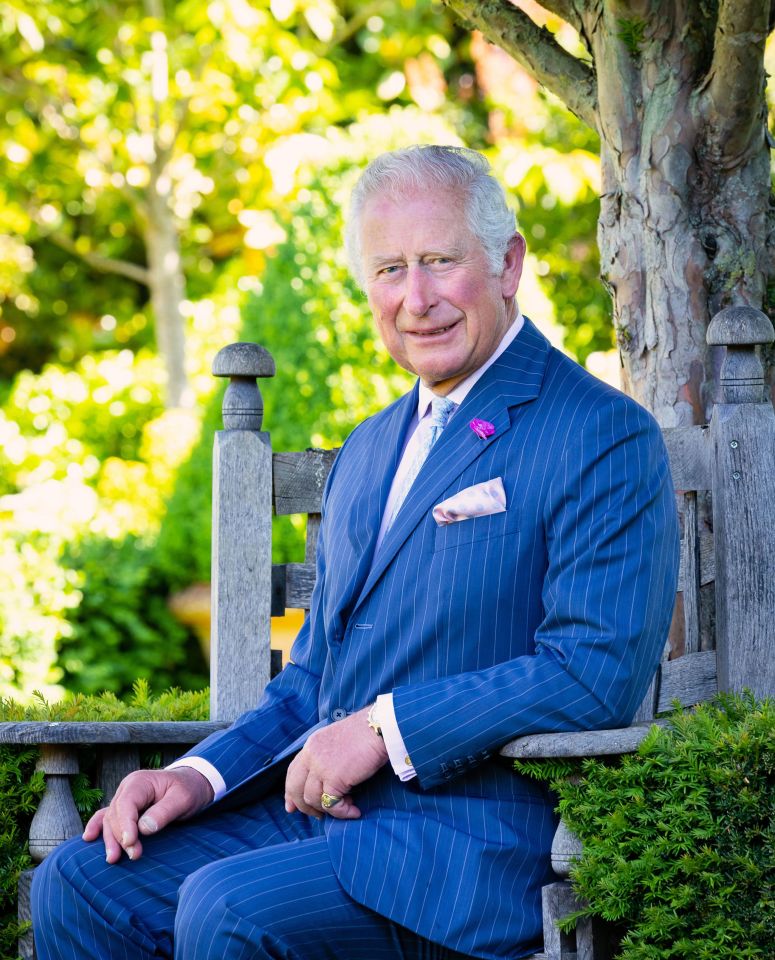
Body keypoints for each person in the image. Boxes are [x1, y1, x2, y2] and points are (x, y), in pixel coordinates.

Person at [32, 145, 679, 960]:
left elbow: (593, 672)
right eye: (388, 271)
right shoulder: (369, 449)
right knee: (81, 883)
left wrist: (383, 729)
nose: (416, 299)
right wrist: (195, 777)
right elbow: (311, 680)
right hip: (318, 821)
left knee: (227, 907)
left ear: (507, 264)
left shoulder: (600, 433)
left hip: (468, 847)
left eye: (441, 262)